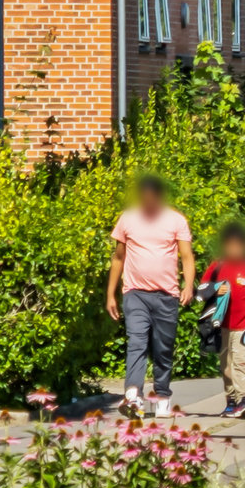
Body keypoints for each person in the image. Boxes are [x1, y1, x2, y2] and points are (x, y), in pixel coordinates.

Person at [105, 173, 197, 415]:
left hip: (167, 295)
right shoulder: (128, 219)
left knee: (163, 349)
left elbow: (187, 256)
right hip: (135, 293)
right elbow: (118, 258)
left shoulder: (176, 221)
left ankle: (162, 395)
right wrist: (110, 294)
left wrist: (188, 285)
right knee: (137, 342)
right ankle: (133, 395)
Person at [194, 224, 245, 419]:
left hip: (244, 326)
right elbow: (202, 289)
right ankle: (231, 401)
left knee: (241, 363)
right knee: (226, 366)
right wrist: (215, 289)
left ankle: (243, 400)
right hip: (221, 326)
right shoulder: (217, 266)